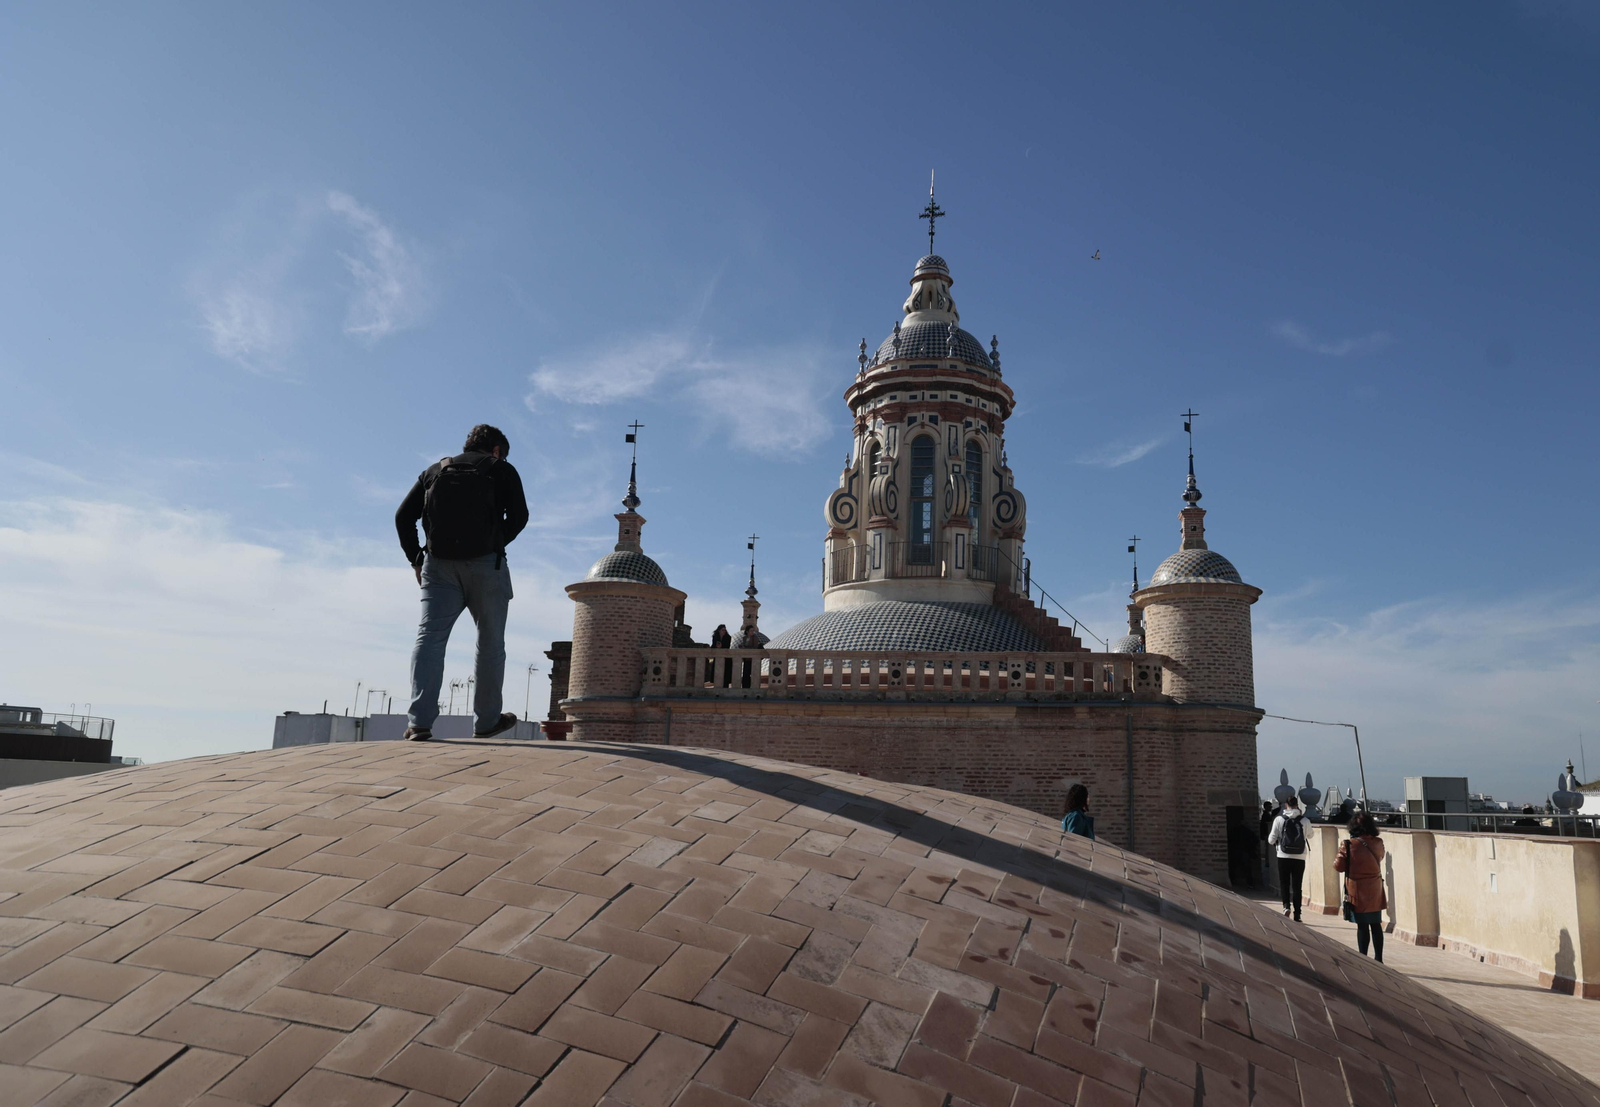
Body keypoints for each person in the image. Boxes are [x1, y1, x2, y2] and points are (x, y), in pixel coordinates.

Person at [395, 424, 529, 742]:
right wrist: (494, 543)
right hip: (488, 567)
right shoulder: (503, 470)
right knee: (490, 643)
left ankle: (419, 723)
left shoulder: (434, 470)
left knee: (430, 638)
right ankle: (485, 722)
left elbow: (403, 517)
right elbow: (520, 516)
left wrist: (417, 558)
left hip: (438, 567)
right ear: (496, 450)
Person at [1334, 810, 1388, 962]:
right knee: (1376, 924)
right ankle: (1379, 958)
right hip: (1375, 888)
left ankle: (1363, 957)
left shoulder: (1348, 845)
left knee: (1362, 925)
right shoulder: (1378, 843)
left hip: (1357, 889)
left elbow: (1338, 866)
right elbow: (1381, 856)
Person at [1267, 795, 1308, 920]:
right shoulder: (1304, 820)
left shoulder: (1279, 820)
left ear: (1286, 805)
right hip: (1300, 856)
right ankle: (1298, 913)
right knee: (1297, 885)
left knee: (1284, 883)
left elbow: (1270, 840)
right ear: (1297, 805)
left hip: (1283, 855)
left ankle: (1286, 906)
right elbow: (1310, 835)